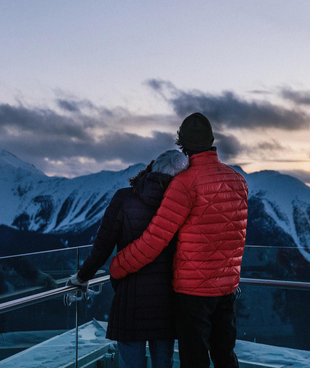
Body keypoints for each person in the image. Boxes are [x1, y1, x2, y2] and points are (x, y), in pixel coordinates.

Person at [109, 112, 248, 368]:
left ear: (181, 144)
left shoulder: (184, 183)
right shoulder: (238, 180)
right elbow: (236, 236)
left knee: (194, 360)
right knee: (225, 355)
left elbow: (155, 239)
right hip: (227, 287)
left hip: (193, 291)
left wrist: (118, 265)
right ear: (211, 140)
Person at [67, 149, 190, 368]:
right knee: (164, 363)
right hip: (167, 302)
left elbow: (102, 246)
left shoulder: (124, 198)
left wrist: (82, 277)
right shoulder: (183, 204)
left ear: (152, 167)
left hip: (129, 301)